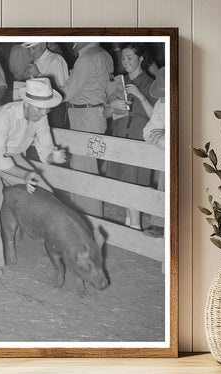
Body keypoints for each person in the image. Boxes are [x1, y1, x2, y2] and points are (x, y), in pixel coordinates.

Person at [0, 78, 66, 286]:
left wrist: (53, 157)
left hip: (12, 157)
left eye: (47, 109)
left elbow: (45, 151)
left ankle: (53, 246)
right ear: (27, 102)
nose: (44, 114)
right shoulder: (6, 115)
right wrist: (24, 175)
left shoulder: (40, 116)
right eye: (41, 109)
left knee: (47, 194)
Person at [104, 43, 156, 230]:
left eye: (130, 58)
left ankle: (135, 225)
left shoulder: (151, 84)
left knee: (133, 184)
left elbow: (157, 117)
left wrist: (140, 96)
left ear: (141, 59)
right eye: (123, 58)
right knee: (122, 184)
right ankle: (130, 223)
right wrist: (113, 106)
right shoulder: (119, 81)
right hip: (119, 137)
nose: (125, 62)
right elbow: (105, 114)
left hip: (137, 139)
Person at [63, 42, 114, 217]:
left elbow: (67, 93)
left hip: (84, 116)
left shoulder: (86, 59)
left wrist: (44, 88)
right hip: (96, 114)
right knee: (89, 166)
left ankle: (87, 217)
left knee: (83, 169)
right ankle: (86, 214)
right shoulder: (105, 54)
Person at [21, 42, 69, 128]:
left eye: (34, 48)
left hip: (54, 108)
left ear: (43, 46)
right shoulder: (35, 62)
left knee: (55, 135)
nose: (31, 52)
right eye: (29, 49)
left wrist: (38, 74)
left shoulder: (55, 59)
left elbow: (60, 90)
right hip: (38, 107)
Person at [142, 67, 166, 238]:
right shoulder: (161, 103)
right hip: (166, 153)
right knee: (163, 187)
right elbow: (149, 132)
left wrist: (170, 131)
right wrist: (163, 138)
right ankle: (159, 224)